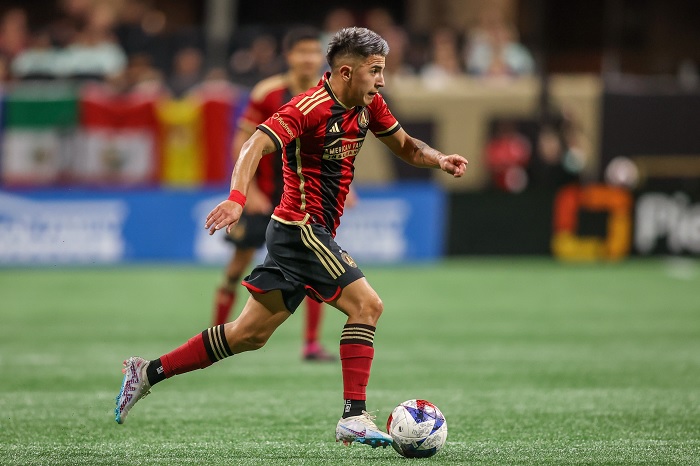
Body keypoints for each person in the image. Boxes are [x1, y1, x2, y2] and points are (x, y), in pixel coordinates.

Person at [115, 27, 468, 449]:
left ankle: (146, 372)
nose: (381, 80)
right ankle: (353, 417)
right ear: (345, 72)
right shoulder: (307, 107)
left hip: (299, 232)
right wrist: (237, 198)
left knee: (247, 335)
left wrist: (439, 159)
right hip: (301, 228)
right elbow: (253, 145)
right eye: (375, 71)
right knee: (367, 306)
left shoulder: (369, 105)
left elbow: (407, 146)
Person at [212, 26, 337, 361]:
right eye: (302, 51)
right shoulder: (268, 93)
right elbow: (243, 143)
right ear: (289, 55)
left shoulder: (329, 94)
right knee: (237, 266)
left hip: (304, 201)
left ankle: (311, 344)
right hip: (264, 197)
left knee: (314, 269)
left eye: (314, 51)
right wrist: (248, 190)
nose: (309, 58)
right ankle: (215, 335)